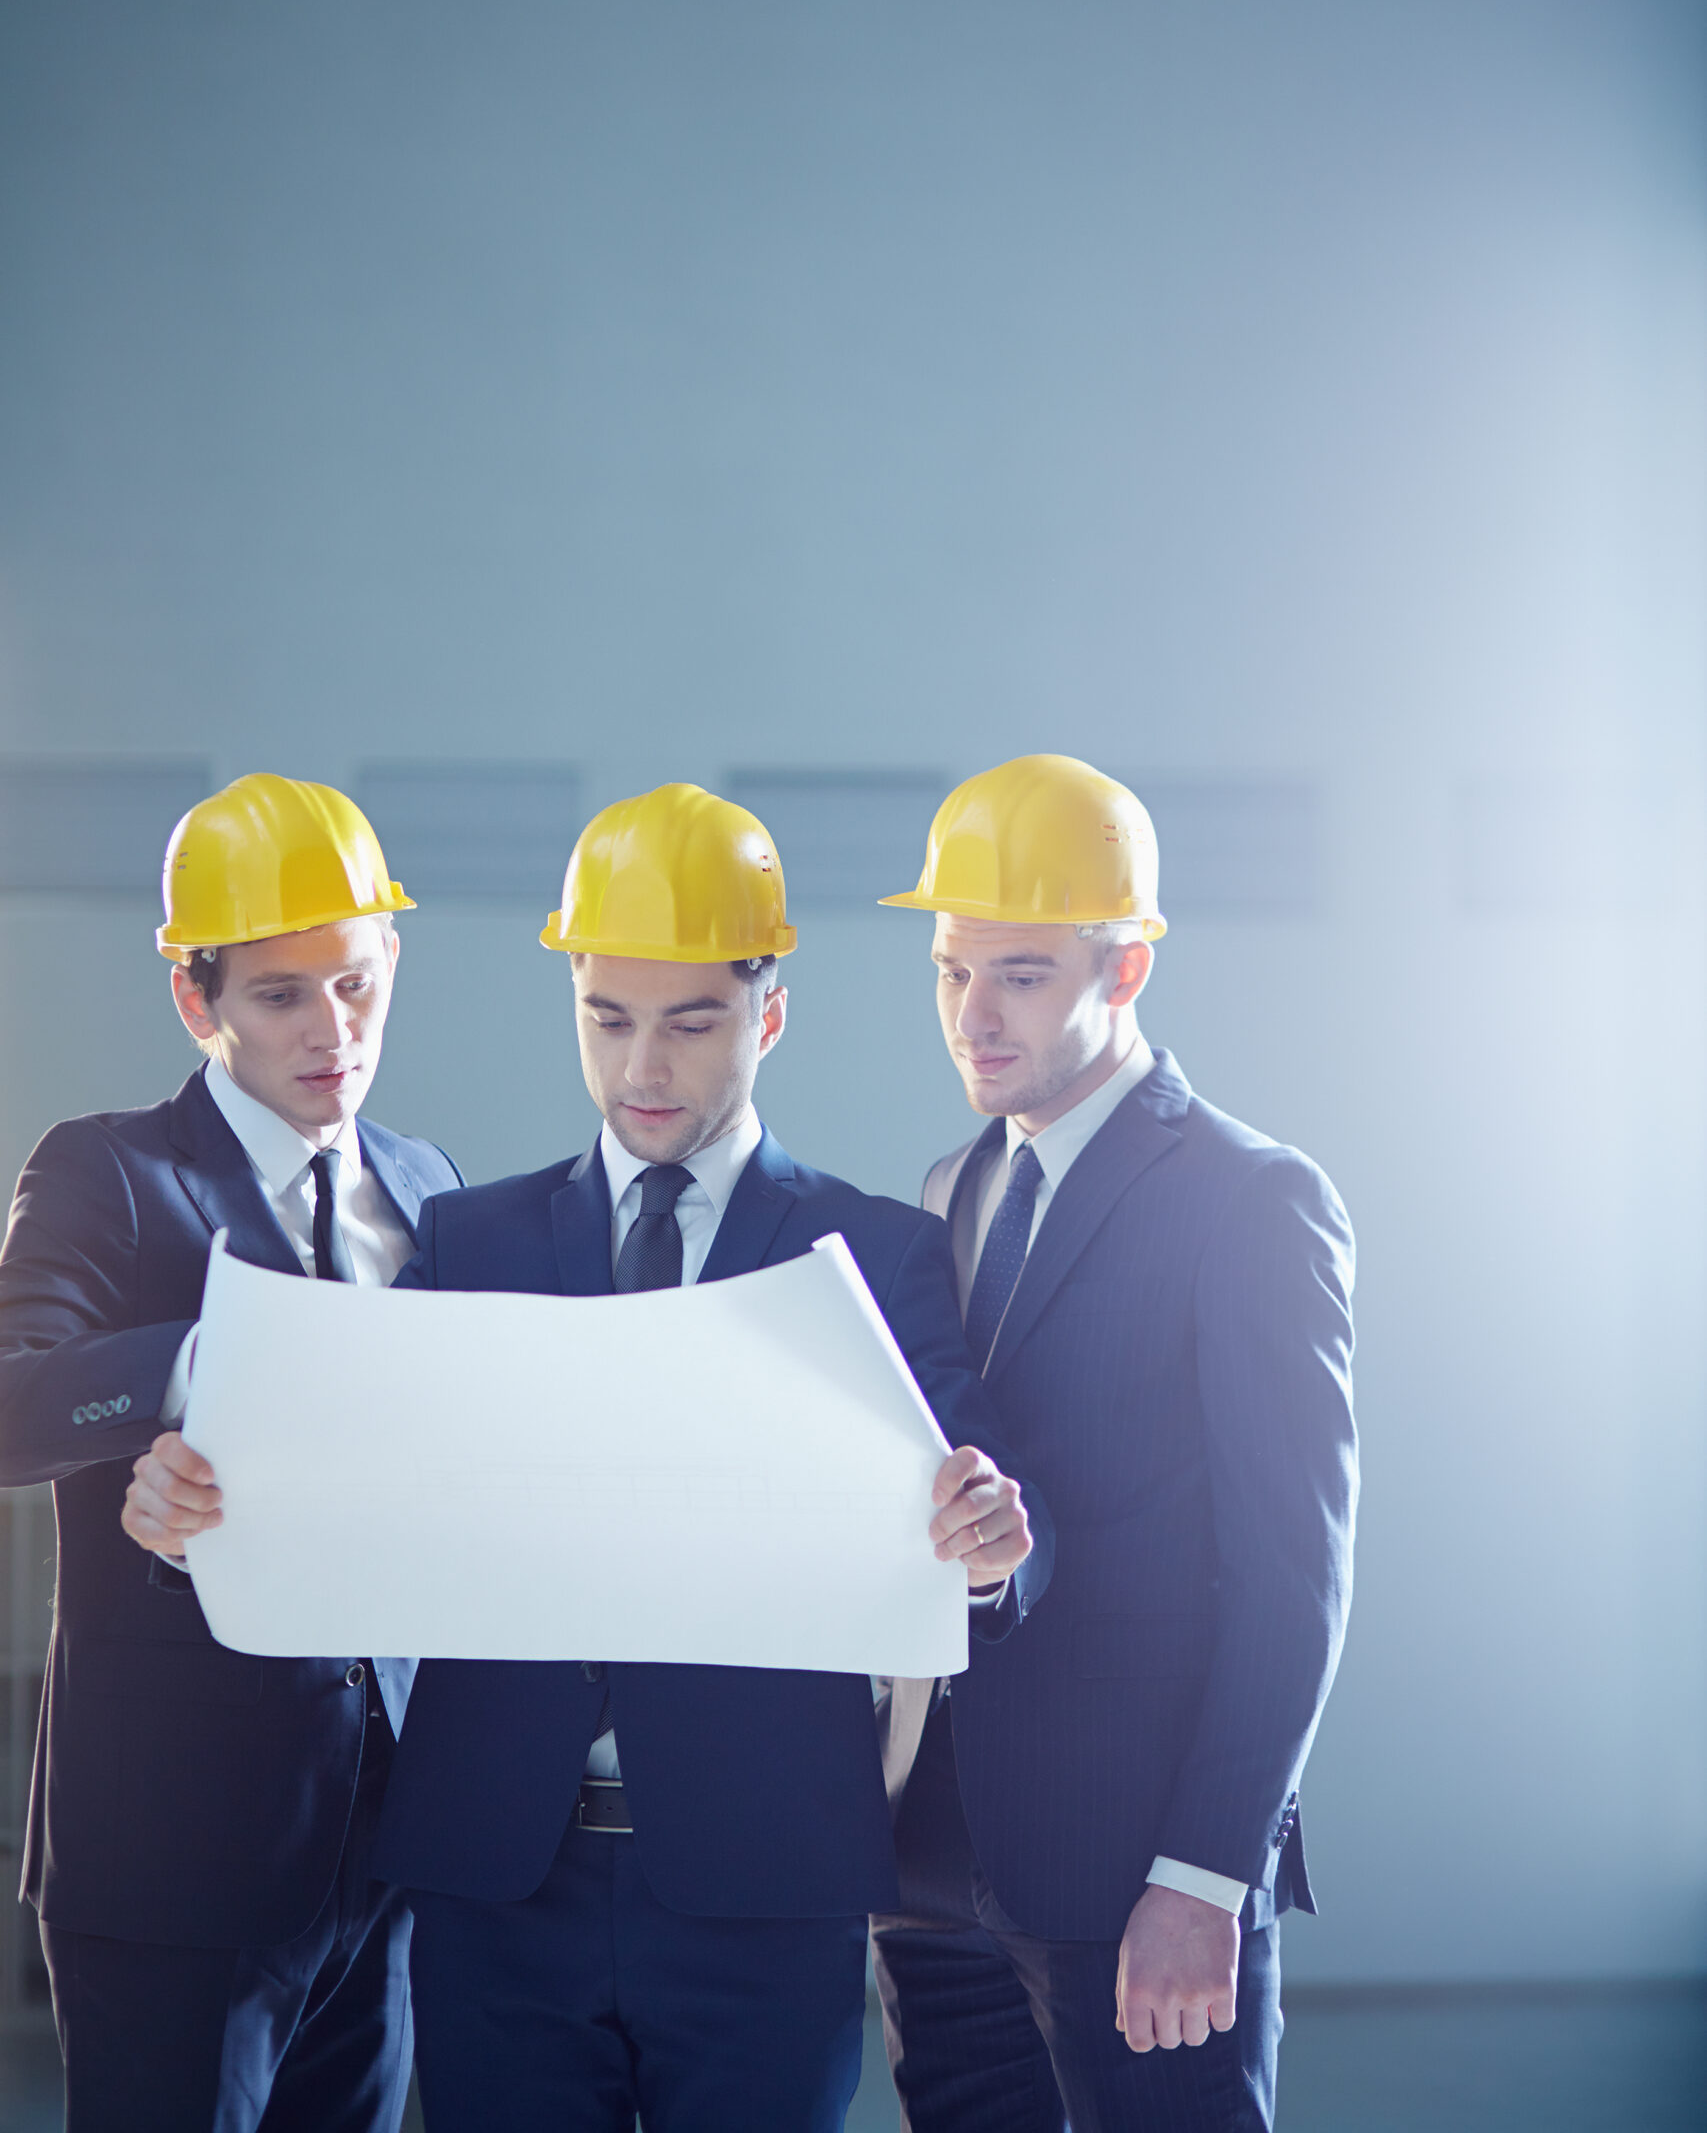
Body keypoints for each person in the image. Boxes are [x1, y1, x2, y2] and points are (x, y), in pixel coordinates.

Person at [371, 782, 1054, 2133]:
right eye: (608, 1020)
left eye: (693, 1023)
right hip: (501, 1878)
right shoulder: (466, 1248)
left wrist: (988, 1549)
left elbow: (978, 1490)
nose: (646, 1070)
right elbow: (372, 1489)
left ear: (770, 1013)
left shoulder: (875, 1258)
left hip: (762, 1886)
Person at [870, 754, 1357, 2133]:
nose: (975, 1013)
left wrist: (1207, 1876)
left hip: (1140, 1879)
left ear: (1126, 967)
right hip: (934, 1875)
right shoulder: (949, 1188)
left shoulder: (1253, 1202)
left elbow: (1295, 1581)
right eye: (953, 972)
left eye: (1021, 974)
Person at [0, 773, 462, 2133]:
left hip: (377, 1854)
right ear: (196, 1002)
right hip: (171, 1864)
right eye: (281, 995)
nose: (334, 1030)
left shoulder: (425, 1184)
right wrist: (202, 1371)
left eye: (357, 984)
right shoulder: (108, 1174)